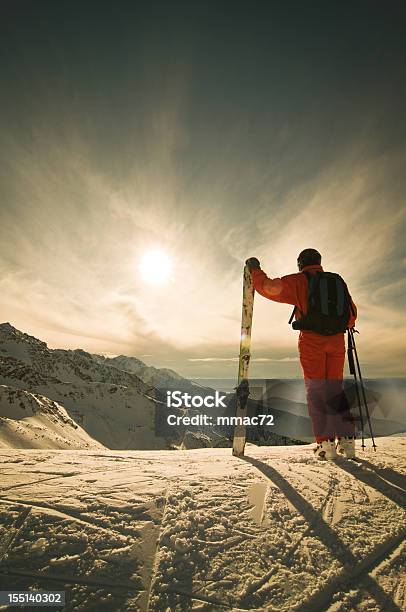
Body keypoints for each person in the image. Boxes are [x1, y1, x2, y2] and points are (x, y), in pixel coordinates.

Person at [245, 249, 357, 460]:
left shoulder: (299, 281)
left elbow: (268, 288)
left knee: (316, 390)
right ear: (319, 262)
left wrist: (255, 270)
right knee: (334, 388)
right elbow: (351, 316)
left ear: (300, 264)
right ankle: (347, 441)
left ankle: (325, 444)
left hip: (311, 343)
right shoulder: (337, 281)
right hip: (336, 342)